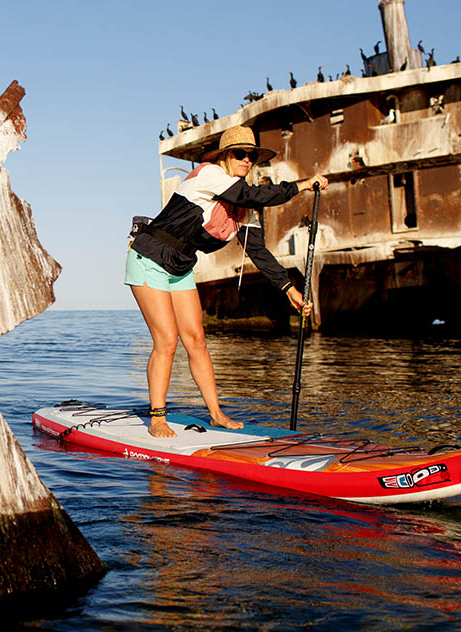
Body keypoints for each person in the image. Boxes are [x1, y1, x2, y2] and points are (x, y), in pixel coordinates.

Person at [125, 125, 328, 438]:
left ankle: (217, 413)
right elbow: (251, 194)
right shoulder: (209, 176)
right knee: (167, 341)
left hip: (180, 267)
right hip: (149, 259)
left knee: (196, 339)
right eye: (240, 154)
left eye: (251, 156)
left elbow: (258, 252)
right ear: (224, 156)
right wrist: (302, 185)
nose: (247, 160)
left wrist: (289, 289)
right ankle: (157, 418)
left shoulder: (240, 210)